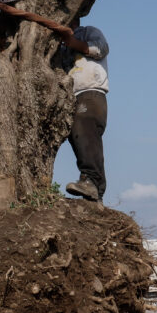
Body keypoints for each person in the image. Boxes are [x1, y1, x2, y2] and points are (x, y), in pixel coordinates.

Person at [58, 17, 109, 202]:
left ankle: (92, 181)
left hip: (90, 92)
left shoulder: (88, 31)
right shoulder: (56, 42)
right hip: (72, 96)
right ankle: (94, 191)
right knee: (78, 136)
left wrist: (74, 43)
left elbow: (102, 48)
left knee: (85, 132)